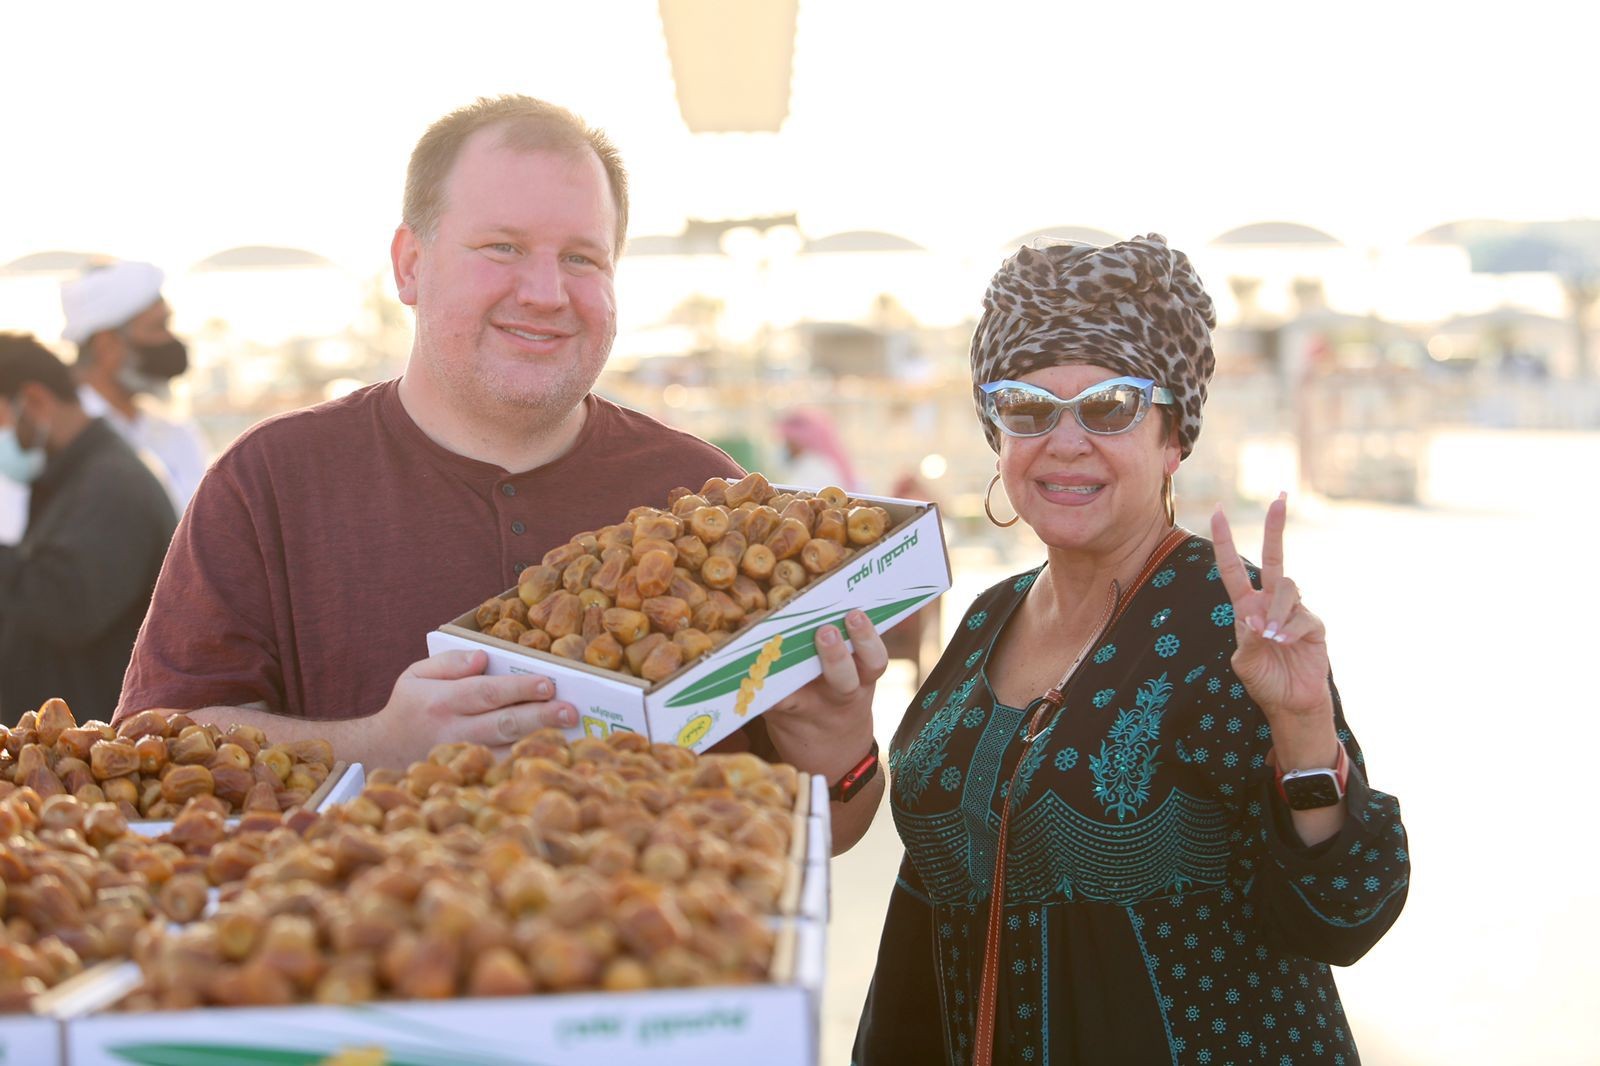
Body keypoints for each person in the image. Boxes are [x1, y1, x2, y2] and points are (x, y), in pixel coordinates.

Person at [114, 95, 886, 848]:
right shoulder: (270, 483)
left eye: (582, 258)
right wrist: (374, 746)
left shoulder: (701, 495)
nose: (546, 294)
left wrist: (840, 745)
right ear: (410, 265)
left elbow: (833, 831)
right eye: (502, 248)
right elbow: (148, 752)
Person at [850, 235, 1409, 1064]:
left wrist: (1303, 729)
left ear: (1173, 437)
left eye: (1109, 407)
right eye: (1028, 408)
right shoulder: (986, 618)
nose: (1066, 441)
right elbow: (926, 898)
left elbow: (1346, 911)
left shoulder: (1234, 626)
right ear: (998, 436)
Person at [0, 333, 177, 724]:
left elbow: (65, 605)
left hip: (97, 748)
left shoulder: (113, 485)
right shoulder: (69, 475)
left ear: (34, 400)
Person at [59, 259, 210, 516]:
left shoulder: (177, 434)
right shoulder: (63, 435)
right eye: (158, 328)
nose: (170, 341)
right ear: (107, 346)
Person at [775, 406, 860, 490]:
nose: (785, 447)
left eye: (788, 442)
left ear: (800, 441)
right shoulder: (804, 464)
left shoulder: (815, 468)